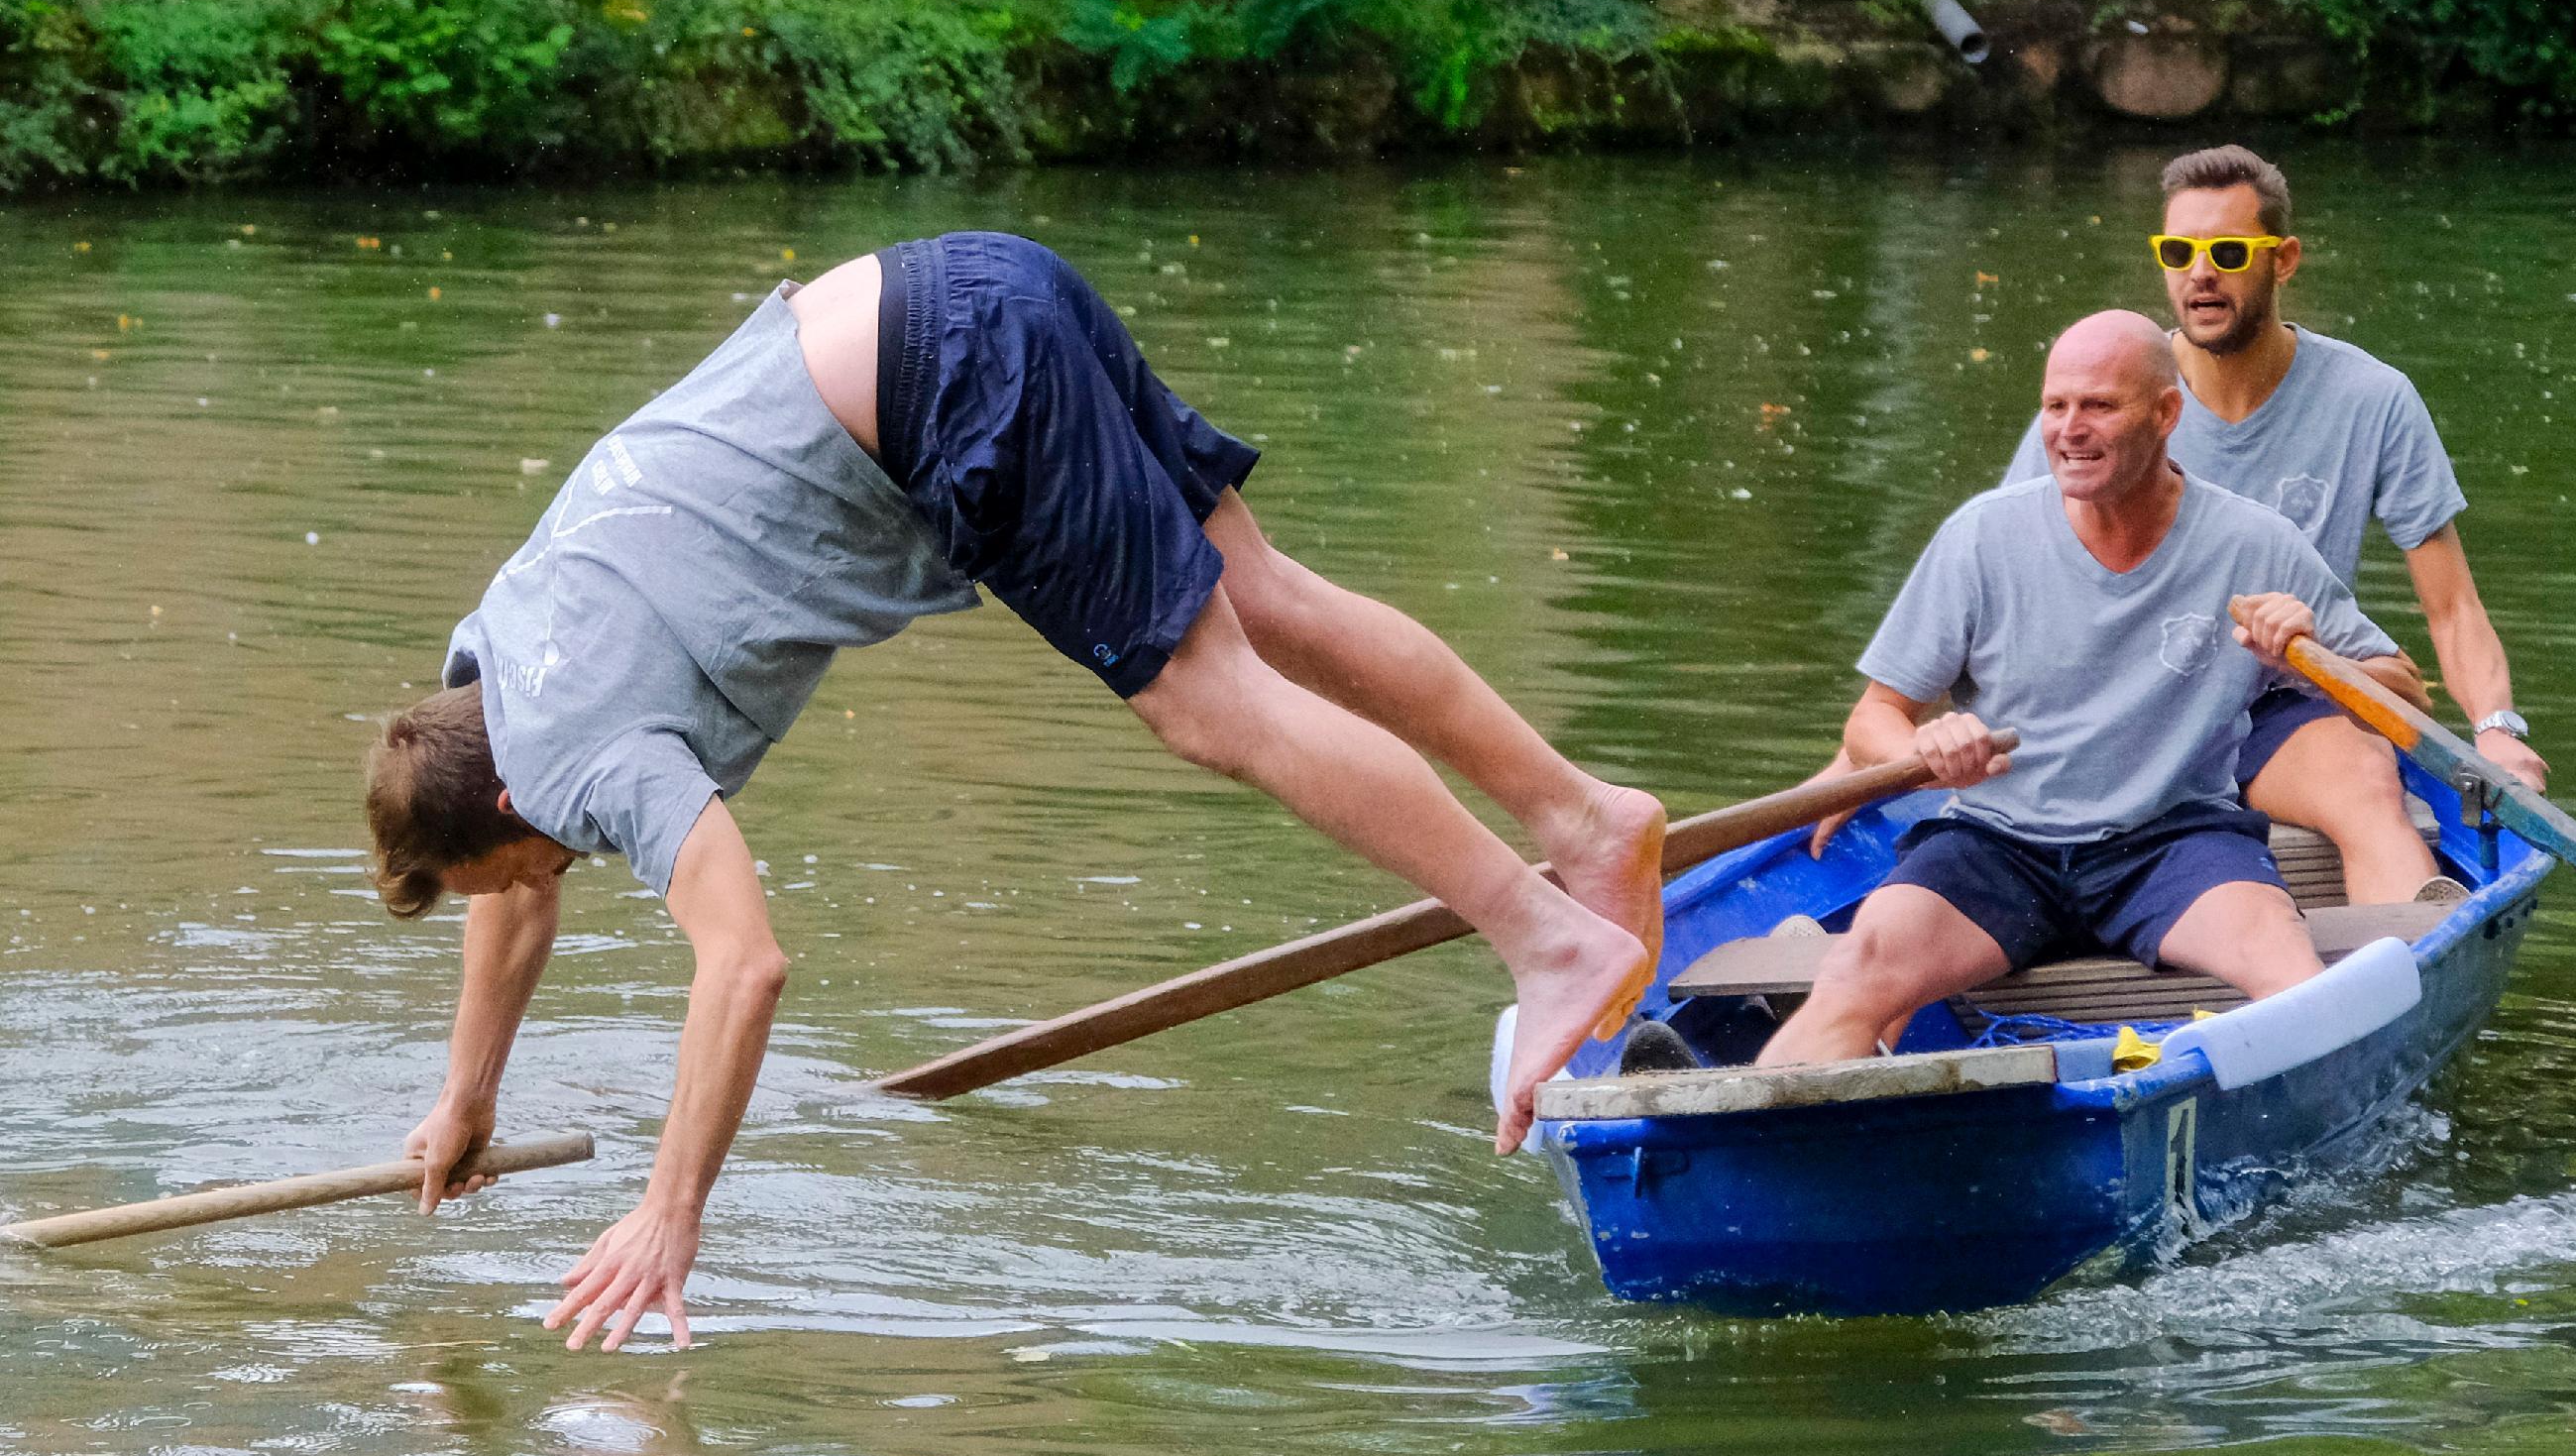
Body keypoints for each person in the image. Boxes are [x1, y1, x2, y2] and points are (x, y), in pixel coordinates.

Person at [362, 233, 1664, 1352]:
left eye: (517, 864)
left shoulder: (585, 753)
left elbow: (742, 962)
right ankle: (1584, 821)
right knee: (1268, 604)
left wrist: (668, 1213)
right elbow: (509, 895)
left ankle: (1542, 933)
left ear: (513, 808)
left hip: (944, 381)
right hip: (962, 288)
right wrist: (467, 1098)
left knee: (1210, 701)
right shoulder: (493, 670)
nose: (537, 886)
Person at [1759, 311, 2410, 1068]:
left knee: (2285, 960)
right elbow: (1874, 718)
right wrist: (1924, 747)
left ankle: (2333, 1086)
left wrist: (2314, 656)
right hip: (1999, 844)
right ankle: (1719, 1140)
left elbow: (2405, 696)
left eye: (2099, 406)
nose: (2071, 429)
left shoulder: (2255, 542)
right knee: (1855, 969)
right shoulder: (1981, 537)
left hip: (2171, 842)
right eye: (2056, 406)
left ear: (2167, 414)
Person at [1999, 146, 2550, 903]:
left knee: (2367, 777)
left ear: (2282, 260)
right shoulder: (2100, 401)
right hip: (2122, 707)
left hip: (2276, 706)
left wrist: (2497, 731)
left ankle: (2392, 974)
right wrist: (1870, 744)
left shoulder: (2371, 399)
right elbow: (1995, 584)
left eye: (2227, 252)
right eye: (2178, 252)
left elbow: (2451, 608)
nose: (2200, 274)